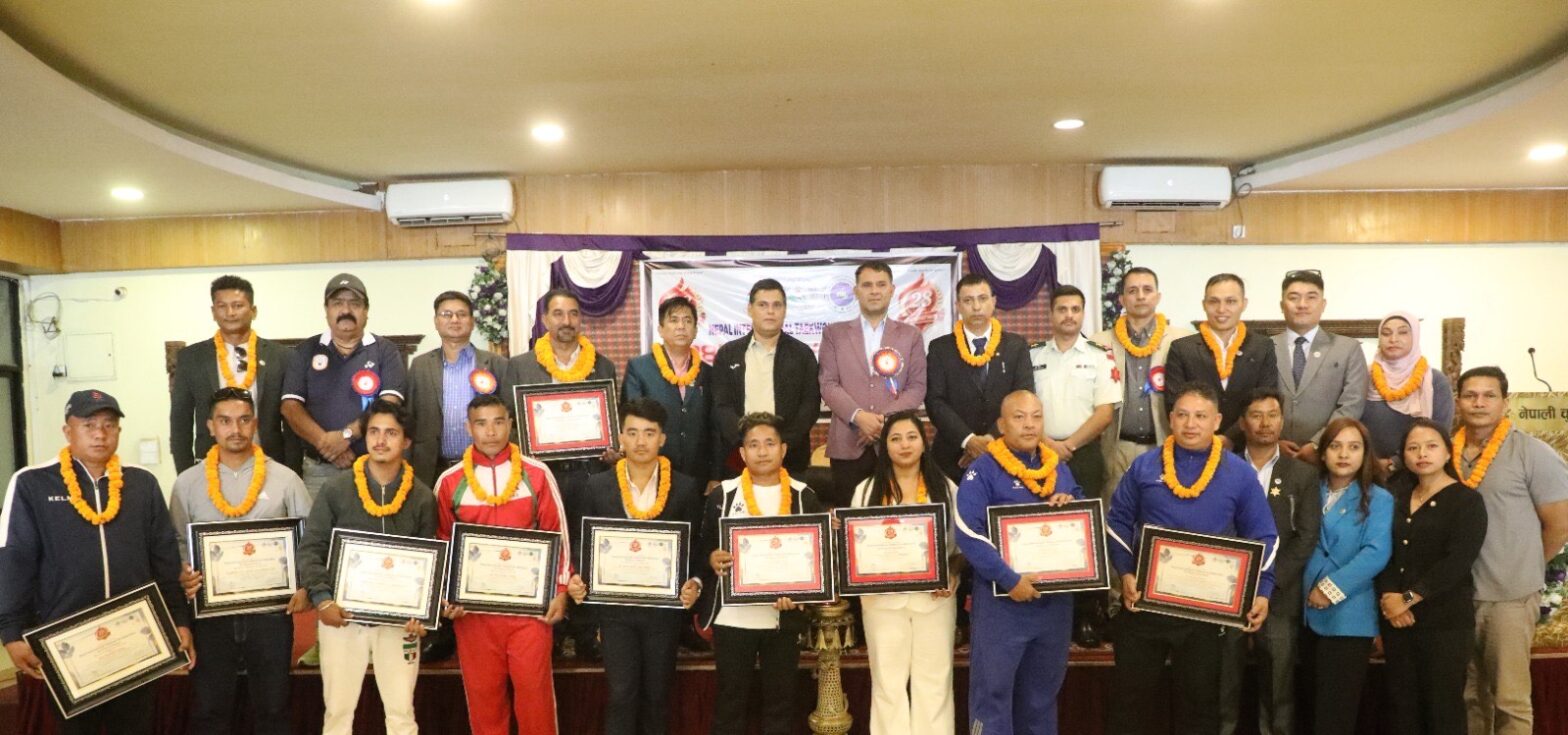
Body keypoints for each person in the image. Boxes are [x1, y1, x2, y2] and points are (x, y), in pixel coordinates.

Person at [0, 390, 195, 735]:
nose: (100, 434)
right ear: (67, 431)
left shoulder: (142, 484)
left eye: (109, 425)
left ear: (119, 431)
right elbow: (15, 561)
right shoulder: (32, 483)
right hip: (68, 645)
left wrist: (179, 620)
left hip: (135, 640)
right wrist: (11, 632)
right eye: (88, 425)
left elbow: (164, 560)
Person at [1105, 382, 1277, 735]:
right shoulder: (1144, 466)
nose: (1190, 423)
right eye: (1182, 415)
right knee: (1129, 706)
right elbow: (1117, 521)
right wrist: (1125, 572)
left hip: (1206, 614)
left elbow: (1265, 536)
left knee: (1200, 709)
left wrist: (1263, 590)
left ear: (1217, 421)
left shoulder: (1239, 473)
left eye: (1200, 416)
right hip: (1144, 604)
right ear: (1170, 419)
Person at [169, 388, 312, 735]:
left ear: (255, 424)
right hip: (210, 618)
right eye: (225, 421)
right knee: (210, 710)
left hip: (270, 616)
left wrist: (306, 585)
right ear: (210, 426)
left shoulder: (286, 479)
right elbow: (176, 543)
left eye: (244, 420)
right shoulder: (187, 483)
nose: (235, 429)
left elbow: (310, 540)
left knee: (274, 708)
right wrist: (183, 573)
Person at [434, 393, 573, 735]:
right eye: (481, 424)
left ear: (510, 424)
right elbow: (442, 544)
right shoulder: (450, 481)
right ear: (468, 428)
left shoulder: (537, 474)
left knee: (535, 699)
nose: (491, 431)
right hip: (474, 614)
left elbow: (558, 534)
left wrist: (560, 589)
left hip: (530, 612)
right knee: (485, 701)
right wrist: (446, 596)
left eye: (498, 422)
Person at [296, 398, 437, 735]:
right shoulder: (336, 489)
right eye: (374, 432)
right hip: (342, 618)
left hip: (399, 623)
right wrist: (323, 600)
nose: (380, 440)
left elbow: (430, 564)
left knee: (401, 713)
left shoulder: (421, 497)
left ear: (406, 441)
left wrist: (424, 616)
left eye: (391, 433)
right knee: (338, 712)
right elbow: (311, 548)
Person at [566, 398, 705, 735]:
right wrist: (577, 578)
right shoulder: (597, 486)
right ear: (621, 438)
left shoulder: (685, 488)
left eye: (649, 433)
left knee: (657, 697)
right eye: (633, 433)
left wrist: (695, 582)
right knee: (622, 695)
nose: (641, 441)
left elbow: (696, 547)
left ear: (663, 438)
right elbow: (583, 542)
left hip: (663, 612)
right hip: (616, 612)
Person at [954, 390, 1081, 735]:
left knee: (1041, 699)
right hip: (1003, 605)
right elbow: (968, 531)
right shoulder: (983, 470)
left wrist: (1069, 502)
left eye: (1036, 416)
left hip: (1053, 605)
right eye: (1019, 417)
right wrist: (1009, 579)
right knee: (992, 697)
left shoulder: (1058, 468)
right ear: (1001, 424)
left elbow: (1082, 521)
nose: (1029, 424)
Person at [1453, 366, 1568, 735]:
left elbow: (1559, 525)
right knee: (1469, 697)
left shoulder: (1532, 453)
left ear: (1505, 402)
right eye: (1470, 395)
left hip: (1509, 597)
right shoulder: (1445, 451)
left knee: (1510, 700)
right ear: (1458, 402)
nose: (1479, 403)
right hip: (1457, 597)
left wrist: (1525, 566)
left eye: (1489, 395)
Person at [697, 412, 825, 735]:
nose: (762, 451)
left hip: (781, 617)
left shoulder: (803, 495)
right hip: (733, 618)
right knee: (730, 703)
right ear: (742, 453)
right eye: (753, 445)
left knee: (780, 705)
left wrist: (801, 594)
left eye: (769, 443)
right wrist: (712, 558)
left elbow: (818, 557)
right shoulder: (723, 495)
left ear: (784, 449)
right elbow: (703, 548)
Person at [509, 287, 618, 658]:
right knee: (548, 549)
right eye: (558, 314)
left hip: (589, 474)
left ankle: (586, 632)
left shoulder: (602, 366)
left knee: (586, 550)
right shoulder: (520, 366)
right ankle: (551, 631)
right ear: (545, 320)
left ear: (580, 319)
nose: (566, 321)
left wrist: (611, 448)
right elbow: (512, 423)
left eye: (573, 313)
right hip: (543, 476)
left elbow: (612, 422)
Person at [849, 410, 959, 735]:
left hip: (934, 600)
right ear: (885, 446)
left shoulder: (946, 488)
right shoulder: (866, 490)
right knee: (888, 684)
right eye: (895, 439)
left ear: (924, 443)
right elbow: (854, 548)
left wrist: (952, 574)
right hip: (882, 602)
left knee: (934, 683)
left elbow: (960, 549)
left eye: (912, 437)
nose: (905, 445)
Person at [1218, 387, 1320, 735]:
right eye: (1256, 415)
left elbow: (1306, 537)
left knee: (1278, 689)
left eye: (1273, 415)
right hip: (1227, 592)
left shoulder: (1303, 474)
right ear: (1242, 422)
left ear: (1282, 420)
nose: (1265, 423)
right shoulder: (1221, 469)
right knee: (1223, 684)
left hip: (1279, 594)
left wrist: (1269, 583)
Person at [1376, 418, 1488, 735]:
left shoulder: (1466, 501)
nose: (1422, 454)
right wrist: (1389, 599)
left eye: (1431, 446)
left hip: (1444, 622)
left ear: (1447, 452)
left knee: (1443, 709)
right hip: (1398, 621)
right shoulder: (1395, 497)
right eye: (1413, 448)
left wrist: (1408, 599)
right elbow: (1383, 551)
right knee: (1402, 708)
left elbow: (1456, 563)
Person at [1030, 284, 1120, 646]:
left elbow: (1105, 412)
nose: (1069, 315)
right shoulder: (1033, 355)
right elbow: (1023, 405)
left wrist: (1069, 445)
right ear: (1051, 314)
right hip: (1038, 453)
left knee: (1086, 532)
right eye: (1062, 309)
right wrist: (1048, 444)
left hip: (1083, 454)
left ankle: (1086, 614)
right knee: (1042, 529)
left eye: (1075, 309)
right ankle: (1045, 611)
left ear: (1083, 314)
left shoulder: (1100, 356)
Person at [1301, 418, 1392, 735]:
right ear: (1322, 452)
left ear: (1365, 454)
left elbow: (1376, 553)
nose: (1343, 454)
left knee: (1335, 716)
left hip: (1348, 615)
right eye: (1335, 446)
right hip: (1303, 612)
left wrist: (1330, 589)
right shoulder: (1307, 489)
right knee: (1307, 710)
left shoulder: (1379, 498)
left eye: (1353, 447)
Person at [280, 272, 408, 498]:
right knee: (319, 522)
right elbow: (290, 407)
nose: (346, 310)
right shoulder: (305, 350)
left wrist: (346, 436)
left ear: (366, 311)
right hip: (318, 470)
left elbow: (390, 403)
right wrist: (328, 445)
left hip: (374, 467)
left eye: (355, 304)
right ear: (326, 310)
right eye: (338, 303)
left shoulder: (385, 351)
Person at [819, 262, 929, 505]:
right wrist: (860, 417)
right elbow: (828, 384)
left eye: (881, 285)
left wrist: (882, 422)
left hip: (895, 445)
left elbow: (917, 387)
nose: (874, 291)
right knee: (850, 517)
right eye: (867, 285)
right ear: (856, 291)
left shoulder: (910, 335)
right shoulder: (834, 334)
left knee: (897, 515)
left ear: (892, 290)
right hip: (848, 444)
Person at [170, 275, 291, 473]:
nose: (230, 313)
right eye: (222, 306)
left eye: (238, 305)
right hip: (211, 467)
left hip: (269, 464)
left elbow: (291, 421)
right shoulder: (191, 358)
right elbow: (180, 423)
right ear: (213, 312)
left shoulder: (281, 357)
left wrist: (292, 470)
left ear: (253, 311)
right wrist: (186, 475)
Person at [1090, 266, 1192, 500]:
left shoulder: (1182, 339)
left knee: (1161, 509)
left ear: (1158, 296)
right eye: (1133, 291)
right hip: (1117, 447)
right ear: (1122, 299)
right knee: (1116, 510)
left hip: (1163, 443)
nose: (1140, 296)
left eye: (1147, 290)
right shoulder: (1099, 342)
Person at [925, 274, 1035, 481]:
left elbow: (1023, 397)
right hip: (952, 457)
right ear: (958, 305)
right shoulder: (940, 348)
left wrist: (989, 440)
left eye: (982, 299)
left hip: (1006, 452)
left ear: (993, 302)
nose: (976, 307)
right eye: (968, 300)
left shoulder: (1015, 346)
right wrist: (968, 440)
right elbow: (934, 401)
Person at [710, 279, 821, 478]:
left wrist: (778, 444)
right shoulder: (728, 354)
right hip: (739, 458)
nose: (770, 311)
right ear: (750, 309)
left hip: (790, 458)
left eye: (776, 305)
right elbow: (722, 406)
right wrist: (748, 443)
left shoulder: (802, 354)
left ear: (785, 310)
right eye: (762, 305)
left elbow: (809, 406)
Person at [407, 290, 513, 485]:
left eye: (461, 314)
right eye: (447, 314)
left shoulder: (497, 364)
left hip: (486, 467)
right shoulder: (420, 366)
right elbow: (409, 419)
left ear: (472, 321)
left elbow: (510, 418)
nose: (454, 320)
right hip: (432, 470)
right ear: (436, 321)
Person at [1164, 273, 1279, 443]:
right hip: (1197, 442)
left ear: (1243, 304)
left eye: (1230, 301)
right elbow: (1174, 402)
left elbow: (1265, 399)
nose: (1221, 309)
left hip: (1247, 444)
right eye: (1214, 301)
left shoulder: (1262, 347)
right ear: (1204, 304)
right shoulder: (1182, 349)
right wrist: (1207, 438)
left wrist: (1230, 438)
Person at [1271, 270, 1367, 464]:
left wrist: (1318, 443)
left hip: (1327, 456)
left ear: (1323, 305)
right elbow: (1255, 401)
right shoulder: (1265, 347)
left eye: (1311, 297)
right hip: (1274, 454)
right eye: (1293, 298)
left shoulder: (1348, 348)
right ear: (1282, 305)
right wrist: (1272, 441)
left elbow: (1352, 404)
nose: (1302, 304)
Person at [622, 295, 716, 487]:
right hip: (651, 473)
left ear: (695, 330)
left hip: (698, 476)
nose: (681, 326)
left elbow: (715, 427)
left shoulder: (708, 373)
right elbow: (631, 421)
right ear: (660, 329)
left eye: (687, 320)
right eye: (674, 320)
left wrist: (715, 474)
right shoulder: (639, 368)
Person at [1360, 312, 1453, 465]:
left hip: (1418, 468)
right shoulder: (1363, 377)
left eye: (1402, 332)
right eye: (1386, 333)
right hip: (1366, 467)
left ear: (1415, 337)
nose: (1393, 339)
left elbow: (1441, 432)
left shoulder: (1434, 380)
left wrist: (1395, 463)